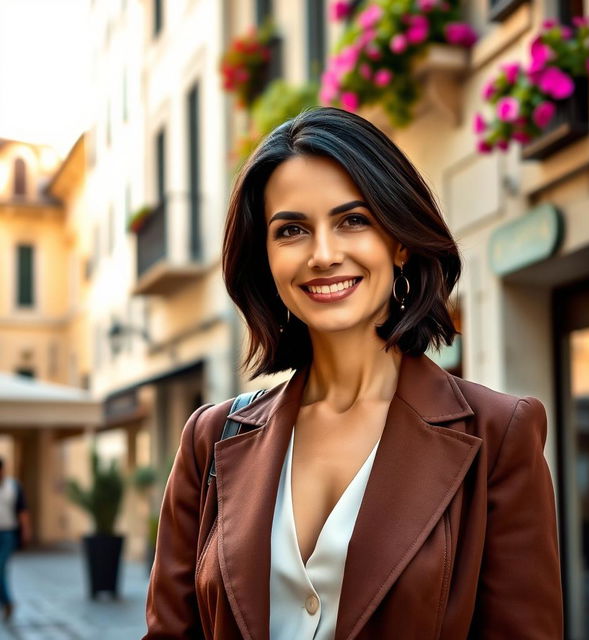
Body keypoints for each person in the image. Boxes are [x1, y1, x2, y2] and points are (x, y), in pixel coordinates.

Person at [144, 107, 563, 639]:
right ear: (266, 259)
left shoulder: (498, 433)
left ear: (400, 240)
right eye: (291, 230)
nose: (323, 254)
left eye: (353, 220)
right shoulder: (208, 439)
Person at [0, 457, 30, 621]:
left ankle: (7, 602)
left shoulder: (13, 486)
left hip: (7, 533)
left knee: (1, 567)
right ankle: (7, 601)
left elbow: (22, 511)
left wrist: (26, 531)